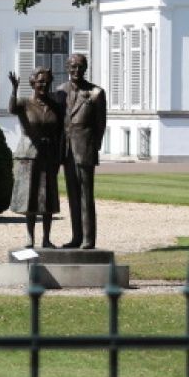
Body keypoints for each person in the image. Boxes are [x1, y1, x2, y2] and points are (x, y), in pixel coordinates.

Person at [7, 67, 64, 248]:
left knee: (48, 198)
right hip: (29, 155)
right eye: (40, 81)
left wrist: (58, 155)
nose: (43, 85)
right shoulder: (24, 103)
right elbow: (12, 108)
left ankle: (46, 238)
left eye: (46, 81)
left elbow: (59, 131)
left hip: (49, 155)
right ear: (32, 83)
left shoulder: (55, 106)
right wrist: (14, 89)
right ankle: (30, 237)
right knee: (30, 199)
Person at [58, 53, 106, 249]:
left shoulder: (96, 93)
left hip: (85, 149)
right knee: (73, 197)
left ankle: (88, 238)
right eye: (73, 67)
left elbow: (100, 125)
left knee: (86, 196)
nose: (76, 71)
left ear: (85, 69)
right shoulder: (61, 91)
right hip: (67, 151)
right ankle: (76, 237)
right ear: (67, 69)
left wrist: (93, 148)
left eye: (80, 67)